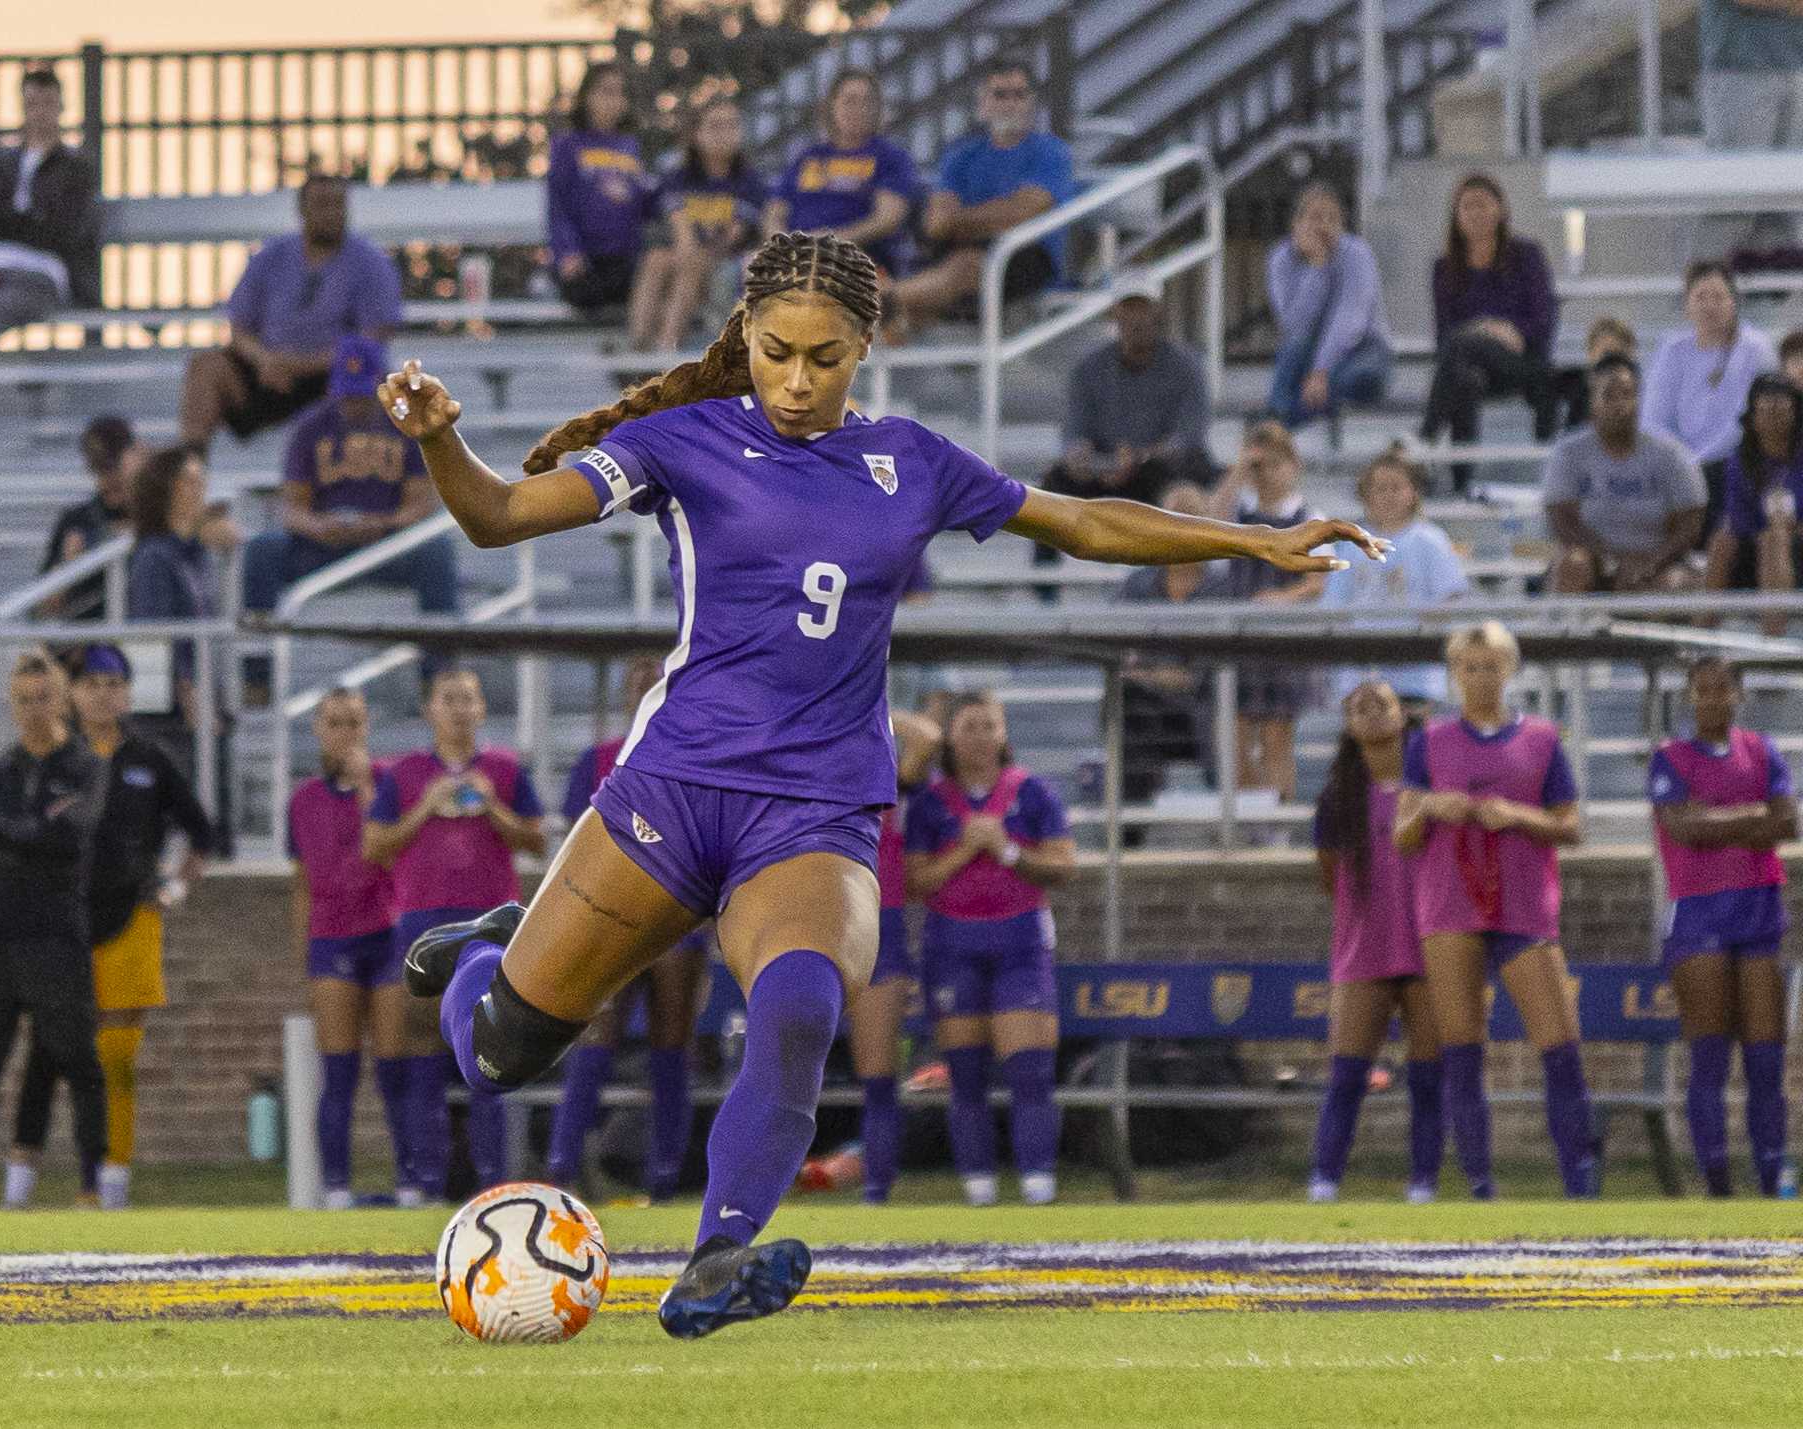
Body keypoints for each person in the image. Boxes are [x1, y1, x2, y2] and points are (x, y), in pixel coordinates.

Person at [376, 229, 1378, 1336]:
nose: (795, 381)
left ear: (866, 347)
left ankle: (715, 1255)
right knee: (498, 1054)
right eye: (773, 352)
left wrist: (1250, 539)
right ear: (743, 340)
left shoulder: (913, 461)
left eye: (822, 357)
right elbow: (499, 517)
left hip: (814, 807)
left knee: (802, 1000)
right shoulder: (680, 440)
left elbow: (1081, 521)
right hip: (672, 789)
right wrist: (440, 444)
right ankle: (486, 949)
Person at [2, 644, 213, 1211]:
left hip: (129, 918)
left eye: (112, 683)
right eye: (90, 683)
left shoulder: (150, 758)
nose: (101, 693)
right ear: (72, 692)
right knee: (47, 1051)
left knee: (116, 1056)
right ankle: (19, 1179)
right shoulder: (54, 757)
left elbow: (204, 833)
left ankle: (107, 1181)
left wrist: (175, 885)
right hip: (60, 922)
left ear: (127, 691)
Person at [1393, 621, 1599, 1199]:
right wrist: (1432, 805)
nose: (1480, 677)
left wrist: (1514, 815)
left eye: (1490, 666)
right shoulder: (1427, 742)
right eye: (1469, 667)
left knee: (1559, 1040)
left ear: (1509, 670)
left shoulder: (1541, 739)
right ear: (1454, 673)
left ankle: (1579, 1181)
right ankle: (1481, 1184)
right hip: (1451, 906)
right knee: (1461, 1046)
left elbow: (1571, 826)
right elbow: (1402, 836)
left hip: (1525, 906)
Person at [365, 666, 546, 1198]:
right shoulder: (404, 775)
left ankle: (493, 1180)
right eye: (448, 698)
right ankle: (426, 1179)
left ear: (482, 708)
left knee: (494, 1042)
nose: (459, 708)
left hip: (492, 921)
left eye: (468, 698)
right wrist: (427, 804)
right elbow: (376, 846)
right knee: (422, 1044)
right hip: (423, 919)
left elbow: (537, 841)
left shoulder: (505, 770)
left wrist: (491, 805)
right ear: (430, 710)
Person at [546, 656, 712, 1200]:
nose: (646, 688)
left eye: (655, 680)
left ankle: (665, 1176)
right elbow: (576, 842)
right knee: (595, 1033)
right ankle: (562, 1167)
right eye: (637, 682)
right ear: (625, 697)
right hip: (609, 911)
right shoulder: (596, 760)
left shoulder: (699, 753)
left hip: (675, 914)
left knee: (671, 1041)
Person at [0, 649, 107, 1212]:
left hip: (55, 934)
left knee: (76, 1057)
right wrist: (25, 832)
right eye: (23, 700)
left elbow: (70, 837)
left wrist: (8, 834)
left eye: (43, 697)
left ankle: (94, 1185)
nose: (34, 709)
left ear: (61, 700)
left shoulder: (84, 768)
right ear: (11, 705)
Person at [903, 692, 1076, 1207]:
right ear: (950, 738)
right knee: (967, 1073)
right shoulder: (933, 805)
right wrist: (968, 848)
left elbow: (1063, 866)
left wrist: (1007, 849)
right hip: (953, 946)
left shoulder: (1034, 793)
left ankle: (1038, 1184)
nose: (979, 737)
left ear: (1004, 734)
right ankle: (978, 1188)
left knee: (1030, 1070)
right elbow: (917, 880)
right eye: (968, 727)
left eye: (989, 726)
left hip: (1020, 941)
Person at [1648, 657, 1798, 1198]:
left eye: (1722, 689)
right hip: (1699, 915)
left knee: (1765, 1057)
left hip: (1759, 910)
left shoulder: (1761, 751)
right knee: (1709, 1054)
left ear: (1739, 694)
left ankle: (1771, 1179)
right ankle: (1717, 1186)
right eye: (1702, 690)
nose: (1712, 698)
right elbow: (1683, 828)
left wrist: (1718, 820)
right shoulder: (1670, 758)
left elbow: (1787, 821)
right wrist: (1750, 818)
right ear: (1690, 697)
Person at [240, 335, 458, 700]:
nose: (354, 404)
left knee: (436, 554)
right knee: (262, 552)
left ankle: (438, 680)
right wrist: (320, 527)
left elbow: (423, 504)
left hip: (384, 546)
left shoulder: (409, 427)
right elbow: (292, 508)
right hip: (326, 544)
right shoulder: (310, 428)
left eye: (363, 393)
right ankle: (257, 678)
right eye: (348, 393)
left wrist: (383, 526)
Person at [1306, 681, 1443, 1205]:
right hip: (1362, 952)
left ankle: (1424, 1185)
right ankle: (1324, 1183)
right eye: (1356, 705)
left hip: (1429, 947)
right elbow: (1329, 875)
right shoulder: (1338, 796)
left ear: (1403, 715)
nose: (1368, 710)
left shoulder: (1429, 786)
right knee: (1346, 1075)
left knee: (1429, 1077)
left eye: (1379, 702)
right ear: (1345, 723)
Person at [288, 687, 413, 1209]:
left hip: (385, 935)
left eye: (354, 723)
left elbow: (389, 854)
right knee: (338, 1068)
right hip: (333, 939)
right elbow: (302, 882)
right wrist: (303, 954)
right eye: (335, 723)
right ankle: (335, 1185)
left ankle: (410, 1180)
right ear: (319, 730)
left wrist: (367, 790)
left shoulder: (388, 785)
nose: (345, 734)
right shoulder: (304, 800)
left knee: (394, 1068)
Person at [180, 173, 403, 447]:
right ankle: (188, 469)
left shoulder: (370, 263)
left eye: (338, 204)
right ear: (302, 209)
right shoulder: (270, 256)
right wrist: (265, 361)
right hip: (267, 373)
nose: (331, 213)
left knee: (370, 376)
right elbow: (239, 329)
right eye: (322, 204)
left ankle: (358, 476)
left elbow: (373, 338)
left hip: (334, 377)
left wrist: (295, 366)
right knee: (206, 367)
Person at [887, 59, 1074, 338]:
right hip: (959, 256)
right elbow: (937, 224)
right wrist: (992, 215)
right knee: (905, 315)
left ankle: (875, 299)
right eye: (1000, 94)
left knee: (968, 265)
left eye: (1019, 95)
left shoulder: (1050, 152)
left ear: (1032, 103)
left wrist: (963, 219)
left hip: (1028, 255)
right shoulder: (961, 156)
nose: (1010, 103)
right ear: (983, 104)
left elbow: (1023, 212)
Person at [843, 705, 943, 1205]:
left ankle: (876, 1190)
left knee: (877, 1072)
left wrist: (866, 700)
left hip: (880, 922)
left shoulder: (892, 786)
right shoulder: (813, 773)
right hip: (818, 917)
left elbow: (925, 736)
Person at [0, 69, 101, 360]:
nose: (39, 113)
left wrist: (7, 222)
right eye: (32, 104)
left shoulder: (76, 168)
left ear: (61, 107)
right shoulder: (2, 163)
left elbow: (64, 231)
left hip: (40, 273)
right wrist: (25, 221)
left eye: (47, 103)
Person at [127, 443, 239, 852]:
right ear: (169, 490)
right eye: (191, 480)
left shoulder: (195, 555)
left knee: (218, 816)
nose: (201, 488)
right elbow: (156, 632)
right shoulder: (155, 557)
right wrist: (187, 689)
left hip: (208, 697)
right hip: (175, 716)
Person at [1420, 173, 1559, 491]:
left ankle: (1425, 439)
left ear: (1500, 209)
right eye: (1467, 206)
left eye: (1483, 204)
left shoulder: (1527, 255)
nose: (1476, 213)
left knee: (1461, 346)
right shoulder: (1445, 267)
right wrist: (1487, 329)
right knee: (1462, 375)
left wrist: (1512, 331)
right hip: (1472, 368)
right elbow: (1443, 336)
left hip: (1522, 362)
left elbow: (1542, 320)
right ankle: (1461, 484)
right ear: (1456, 215)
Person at [1110, 482, 1234, 826]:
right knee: (1132, 706)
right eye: (1172, 514)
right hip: (1148, 710)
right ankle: (1130, 829)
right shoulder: (1136, 585)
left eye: (1191, 515)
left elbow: (1207, 669)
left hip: (1210, 709)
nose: (1181, 523)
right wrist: (1159, 677)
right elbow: (1117, 652)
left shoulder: (1223, 588)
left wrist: (1154, 674)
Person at [1215, 421, 1326, 802]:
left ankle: (1278, 816)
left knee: (1278, 737)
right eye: (1262, 466)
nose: (1269, 475)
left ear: (1294, 465)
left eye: (1277, 464)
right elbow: (1207, 519)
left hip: (1283, 643)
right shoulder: (1240, 517)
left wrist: (1278, 600)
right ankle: (1248, 816)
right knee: (1236, 735)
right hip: (1241, 642)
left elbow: (1316, 584)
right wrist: (1240, 468)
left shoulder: (1310, 519)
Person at [1542, 353, 1707, 595]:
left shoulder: (1670, 454)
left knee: (1676, 584)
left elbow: (1690, 523)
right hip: (1594, 561)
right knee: (1573, 565)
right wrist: (1613, 560)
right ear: (1593, 401)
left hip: (1659, 562)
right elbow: (1562, 521)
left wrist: (1649, 564)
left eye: (1627, 394)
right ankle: (1570, 632)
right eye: (1609, 395)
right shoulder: (1568, 453)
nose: (1619, 404)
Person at [1321, 446, 1470, 710]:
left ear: (1413, 493)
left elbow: (1452, 596)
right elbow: (1334, 604)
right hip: (1360, 674)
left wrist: (1417, 637)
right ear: (1366, 496)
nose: (1389, 496)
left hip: (1415, 675)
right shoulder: (1351, 544)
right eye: (1381, 489)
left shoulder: (1430, 540)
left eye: (1396, 487)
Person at [1050, 283, 1216, 507]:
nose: (1137, 318)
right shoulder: (1088, 369)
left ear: (1157, 312)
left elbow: (1187, 438)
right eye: (1129, 309)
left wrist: (1139, 458)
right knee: (1055, 482)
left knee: (1184, 480)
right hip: (1103, 466)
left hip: (1162, 467)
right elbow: (1075, 431)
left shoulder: (1187, 367)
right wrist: (1082, 457)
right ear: (1115, 313)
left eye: (1143, 308)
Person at [628, 98, 767, 353]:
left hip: (726, 261)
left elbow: (734, 235)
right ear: (695, 134)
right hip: (681, 258)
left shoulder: (749, 181)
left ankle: (665, 348)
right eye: (715, 126)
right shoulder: (677, 178)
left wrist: (696, 251)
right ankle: (637, 348)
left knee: (692, 264)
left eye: (732, 125)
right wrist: (688, 248)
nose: (724, 134)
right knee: (656, 259)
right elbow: (675, 226)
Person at [761, 70, 919, 277]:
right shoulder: (809, 157)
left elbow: (887, 218)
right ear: (832, 106)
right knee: (750, 268)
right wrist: (786, 245)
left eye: (866, 102)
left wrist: (828, 242)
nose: (858, 109)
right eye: (849, 101)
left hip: (858, 255)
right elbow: (774, 212)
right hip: (796, 253)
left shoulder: (890, 157)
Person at [1265, 181, 1391, 429]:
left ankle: (1277, 426)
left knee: (1354, 378)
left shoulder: (1357, 254)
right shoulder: (1281, 259)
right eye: (1314, 217)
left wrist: (1321, 370)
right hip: (1307, 353)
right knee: (1293, 350)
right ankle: (1278, 424)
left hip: (1362, 349)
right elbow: (1294, 326)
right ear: (1296, 224)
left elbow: (1351, 320)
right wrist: (1317, 268)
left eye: (1332, 218)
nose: (1323, 226)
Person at [1644, 261, 1774, 482]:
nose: (1709, 305)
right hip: (1678, 468)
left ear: (1734, 303)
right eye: (1700, 297)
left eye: (1718, 297)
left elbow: (1746, 421)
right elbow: (1653, 419)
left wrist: (1698, 462)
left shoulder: (1755, 348)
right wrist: (1680, 461)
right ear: (1686, 305)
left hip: (1738, 463)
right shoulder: (1673, 350)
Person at [1696, 0, 1803, 256]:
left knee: (1790, 206)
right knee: (1733, 202)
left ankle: (1776, 294)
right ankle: (1702, 288)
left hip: (1795, 69)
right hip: (1739, 73)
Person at [545, 62, 650, 315]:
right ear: (586, 97)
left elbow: (645, 202)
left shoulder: (630, 146)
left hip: (625, 258)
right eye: (605, 91)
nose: (613, 100)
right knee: (587, 294)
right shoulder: (567, 145)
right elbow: (557, 204)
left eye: (620, 93)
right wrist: (568, 252)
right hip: (585, 259)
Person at [1708, 374, 1803, 630]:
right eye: (1765, 410)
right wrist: (1768, 530)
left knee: (1776, 539)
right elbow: (1738, 519)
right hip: (1754, 547)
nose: (1773, 418)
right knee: (1722, 542)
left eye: (1781, 410)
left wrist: (1790, 528)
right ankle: (1701, 631)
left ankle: (1774, 639)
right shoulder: (1740, 463)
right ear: (1753, 418)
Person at [38, 414, 143, 622]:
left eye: (112, 466)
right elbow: (42, 610)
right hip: (90, 643)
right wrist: (67, 568)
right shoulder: (76, 521)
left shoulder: (157, 512)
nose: (107, 479)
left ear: (133, 459)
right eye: (97, 468)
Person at [1557, 315, 1636, 431]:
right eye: (1606, 354)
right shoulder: (1577, 391)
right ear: (1590, 354)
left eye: (1618, 354)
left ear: (1630, 355)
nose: (1611, 361)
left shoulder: (1645, 393)